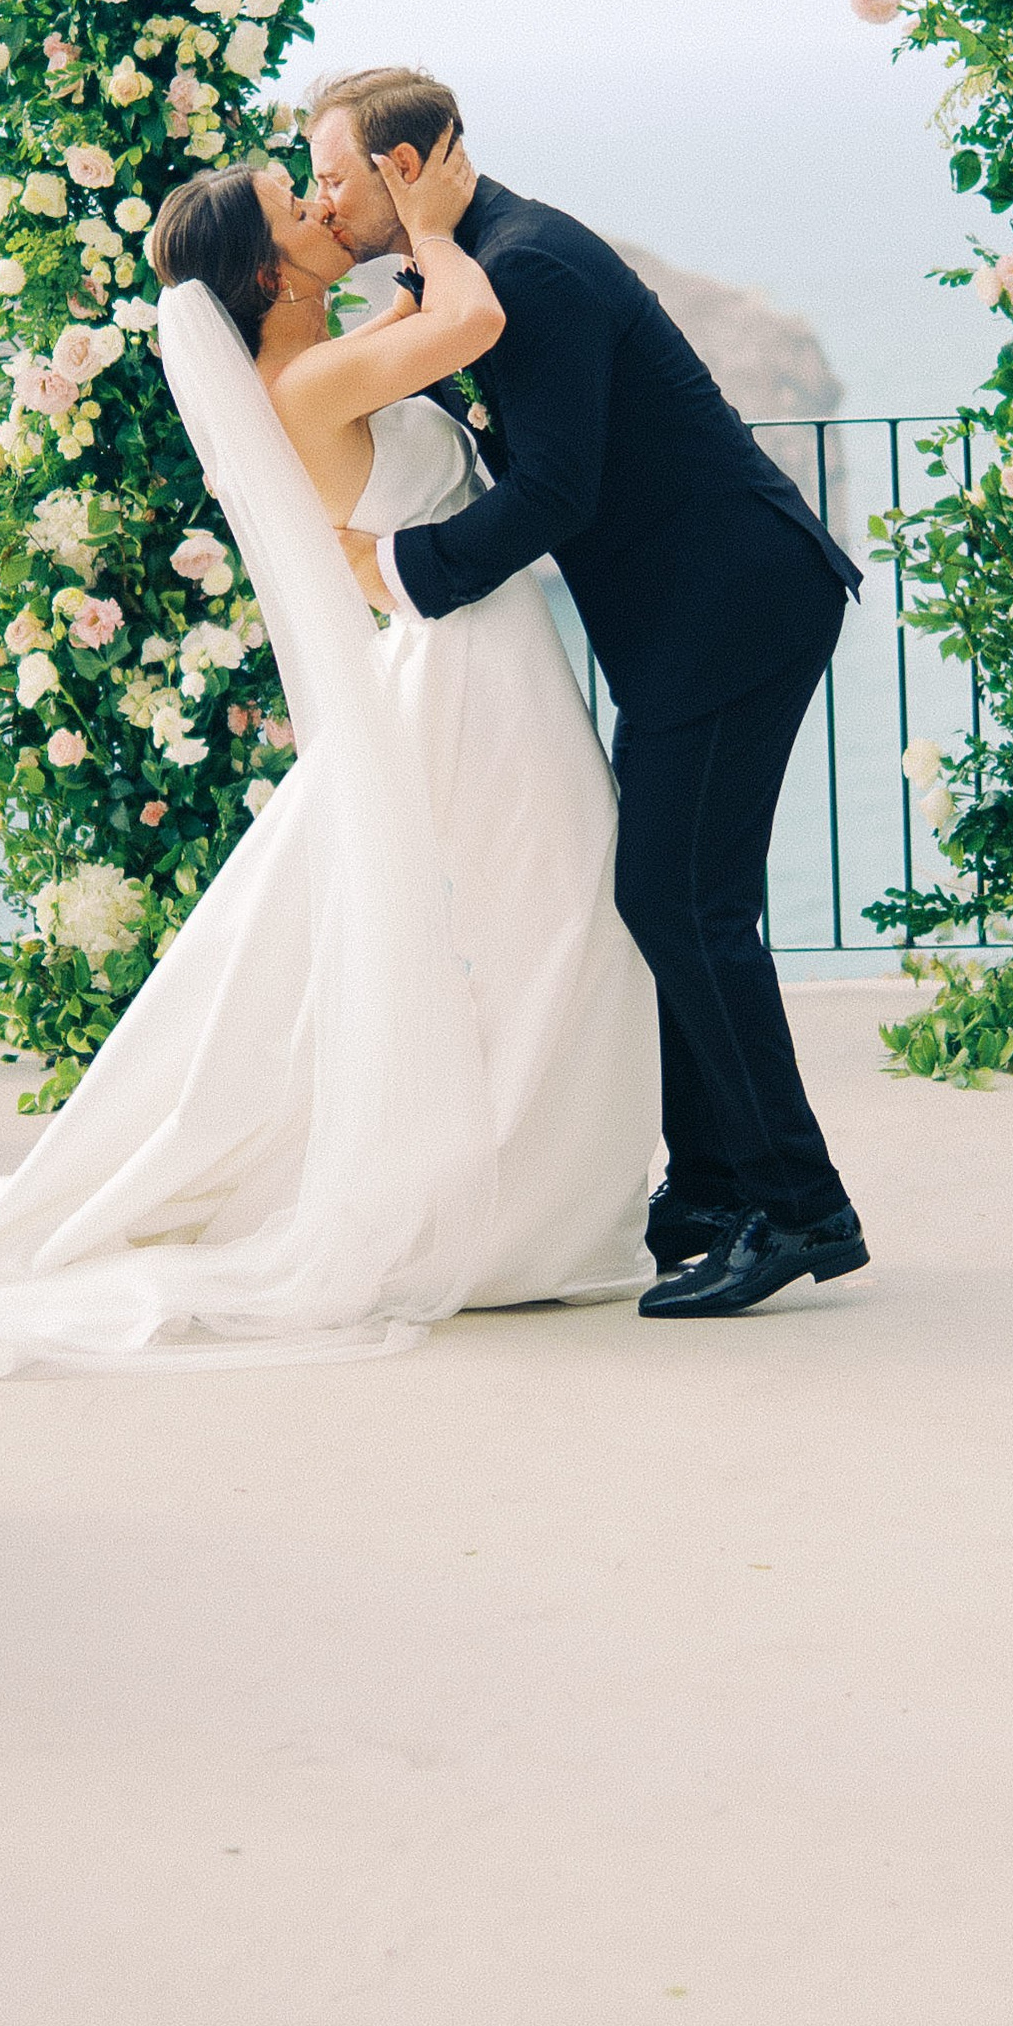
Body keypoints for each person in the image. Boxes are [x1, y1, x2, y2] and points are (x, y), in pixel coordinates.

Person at [0, 132, 660, 1377]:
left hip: (479, 653)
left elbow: (428, 354)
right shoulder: (308, 383)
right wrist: (430, 217)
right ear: (270, 273)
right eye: (298, 207)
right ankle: (522, 1216)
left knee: (547, 918)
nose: (322, 207)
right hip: (474, 669)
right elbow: (471, 323)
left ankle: (543, 1193)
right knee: (559, 916)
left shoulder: (320, 360)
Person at [309, 70, 866, 1319]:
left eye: (334, 176)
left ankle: (798, 1208)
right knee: (678, 899)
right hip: (690, 620)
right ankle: (710, 1190)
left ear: (409, 166)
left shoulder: (533, 268)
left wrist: (403, 572)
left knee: (679, 901)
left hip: (733, 605)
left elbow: (556, 491)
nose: (322, 199)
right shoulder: (474, 266)